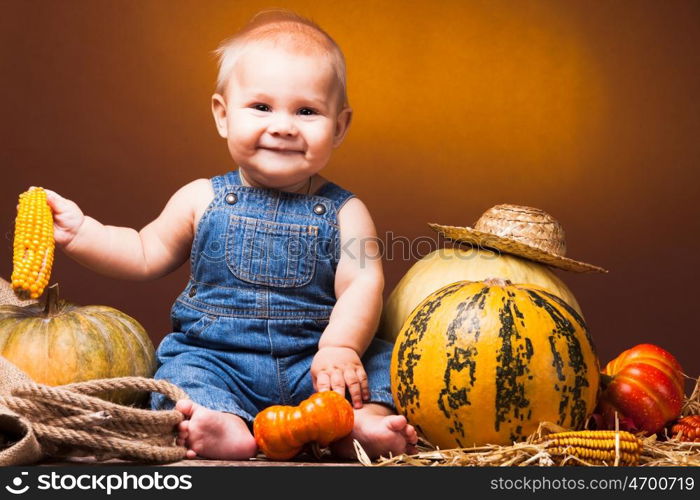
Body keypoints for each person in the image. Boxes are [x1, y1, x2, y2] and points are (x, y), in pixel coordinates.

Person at [43, 10, 417, 460]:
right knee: (182, 378)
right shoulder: (201, 198)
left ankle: (358, 425)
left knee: (382, 364)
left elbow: (363, 283)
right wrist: (83, 232)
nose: (282, 125)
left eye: (307, 111)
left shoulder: (347, 212)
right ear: (223, 115)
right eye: (261, 107)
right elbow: (143, 252)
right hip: (218, 359)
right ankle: (223, 425)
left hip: (312, 360)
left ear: (338, 127)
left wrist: (339, 347)